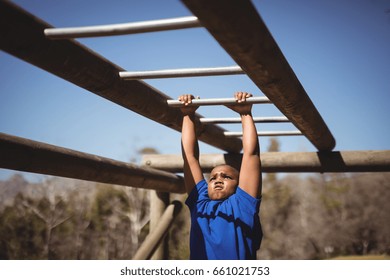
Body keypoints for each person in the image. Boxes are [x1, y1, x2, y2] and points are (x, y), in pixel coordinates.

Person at [179, 91, 263, 260]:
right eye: (213, 177)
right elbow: (190, 157)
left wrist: (245, 113)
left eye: (226, 177)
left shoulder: (242, 203)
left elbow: (251, 154)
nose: (218, 180)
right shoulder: (199, 203)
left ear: (239, 185)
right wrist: (188, 115)